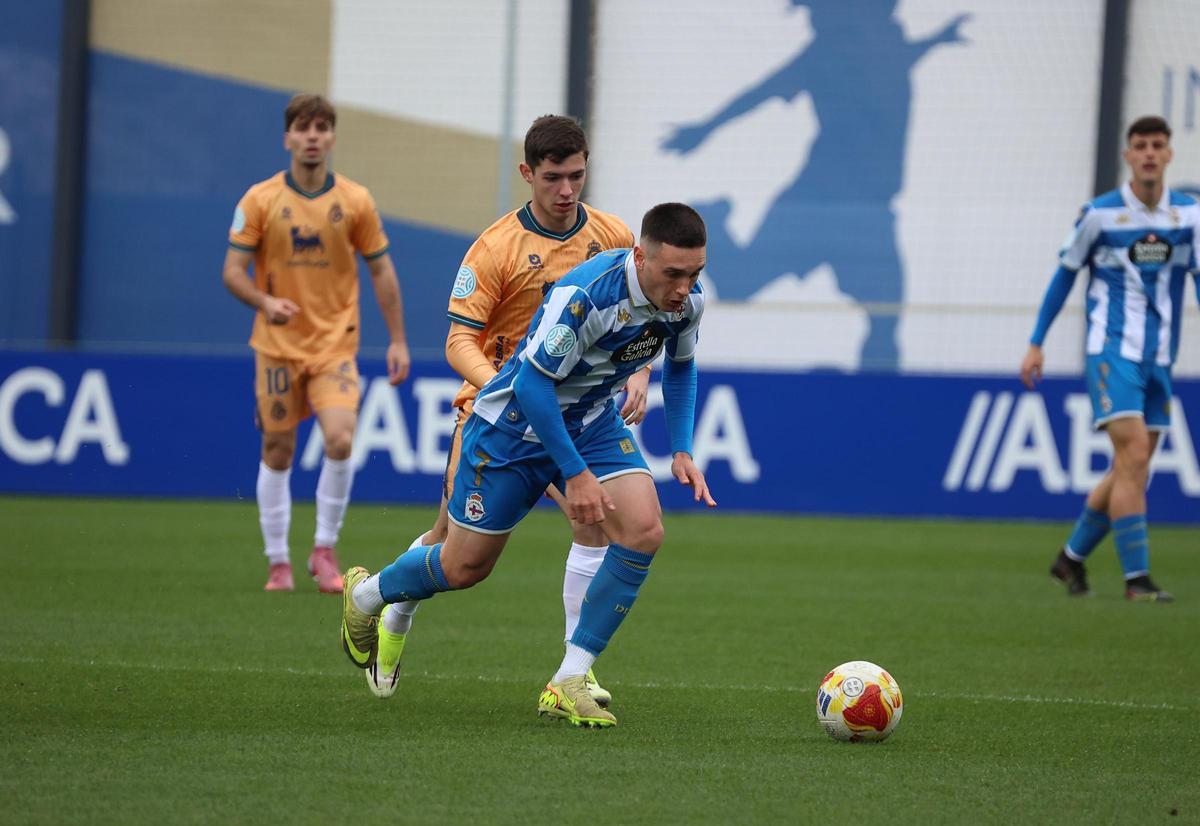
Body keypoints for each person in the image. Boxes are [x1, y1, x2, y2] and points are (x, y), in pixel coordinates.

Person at [341, 202, 717, 727]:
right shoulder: (585, 297)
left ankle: (569, 678)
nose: (683, 287)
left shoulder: (688, 301)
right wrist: (576, 473)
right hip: (512, 428)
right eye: (673, 273)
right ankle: (365, 594)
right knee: (463, 566)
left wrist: (681, 448)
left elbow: (681, 365)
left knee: (644, 530)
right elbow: (533, 386)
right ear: (640, 256)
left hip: (590, 420)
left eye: (694, 273)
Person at [366, 115, 650, 704]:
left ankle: (576, 673)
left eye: (576, 175)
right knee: (453, 550)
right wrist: (506, 387)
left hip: (577, 414)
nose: (567, 190)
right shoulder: (495, 248)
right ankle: (390, 608)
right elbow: (457, 341)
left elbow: (641, 311)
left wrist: (641, 371)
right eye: (553, 178)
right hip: (496, 416)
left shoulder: (614, 234)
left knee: (593, 521)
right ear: (527, 173)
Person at [222, 93, 411, 594]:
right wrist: (265, 302)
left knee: (341, 438)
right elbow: (232, 273)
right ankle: (278, 562)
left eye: (322, 127)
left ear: (331, 137)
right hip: (278, 346)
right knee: (278, 449)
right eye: (303, 128)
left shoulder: (354, 201)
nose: (312, 136)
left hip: (334, 346)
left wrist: (397, 340)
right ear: (288, 138)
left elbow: (382, 271)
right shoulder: (260, 200)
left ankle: (324, 549)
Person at [1021, 115, 1200, 603]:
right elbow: (1064, 276)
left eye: (1156, 145)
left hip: (1160, 357)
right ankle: (1136, 581)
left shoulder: (1190, 216)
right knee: (1135, 456)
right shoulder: (1099, 214)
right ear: (1127, 155)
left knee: (1132, 468)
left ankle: (1070, 560)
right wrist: (1037, 341)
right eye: (1139, 144)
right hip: (1111, 352)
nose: (1148, 153)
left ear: (1168, 155)